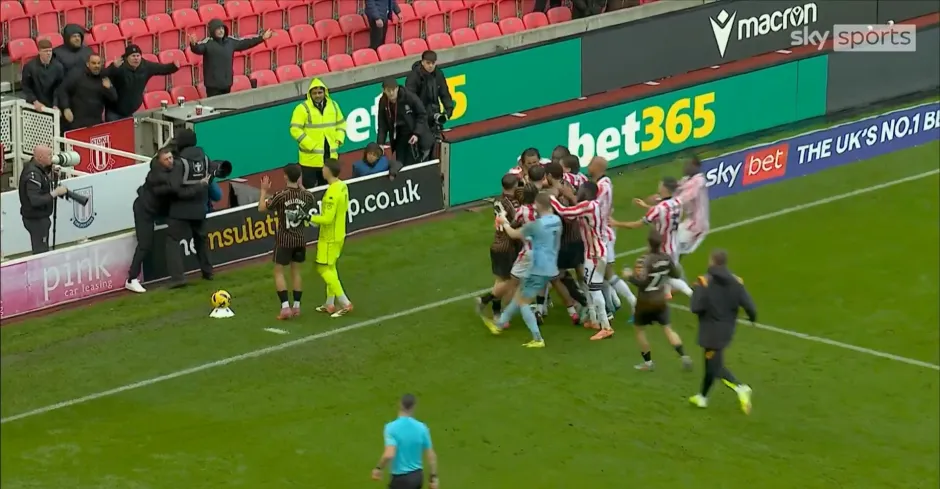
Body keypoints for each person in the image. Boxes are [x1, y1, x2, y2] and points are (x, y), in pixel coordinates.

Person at [483, 192, 562, 348]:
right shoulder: (556, 220)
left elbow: (513, 234)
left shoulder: (536, 225)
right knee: (520, 295)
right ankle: (499, 325)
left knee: (523, 302)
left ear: (538, 206)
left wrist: (504, 221)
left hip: (538, 267)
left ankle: (537, 338)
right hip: (551, 265)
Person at [688, 249, 756, 414]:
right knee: (710, 364)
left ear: (712, 261)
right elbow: (750, 306)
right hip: (726, 331)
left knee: (715, 367)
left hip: (711, 332)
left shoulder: (704, 281)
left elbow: (695, 307)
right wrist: (752, 318)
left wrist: (697, 291)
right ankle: (702, 397)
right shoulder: (736, 282)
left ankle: (741, 388)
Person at [550, 182, 615, 340]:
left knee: (594, 289)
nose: (577, 192)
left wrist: (551, 198)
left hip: (595, 254)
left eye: (580, 190)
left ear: (586, 192)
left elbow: (564, 212)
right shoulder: (593, 205)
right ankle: (596, 321)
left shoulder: (588, 206)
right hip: (594, 251)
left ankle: (605, 326)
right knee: (591, 286)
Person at [610, 176, 694, 298]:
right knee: (668, 276)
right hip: (673, 246)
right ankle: (677, 293)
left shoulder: (658, 208)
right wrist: (645, 206)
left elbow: (636, 224)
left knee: (652, 276)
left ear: (664, 188)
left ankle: (686, 294)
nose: (659, 186)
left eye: (661, 184)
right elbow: (665, 211)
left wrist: (616, 223)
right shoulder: (678, 202)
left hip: (660, 249)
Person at [625, 229, 693, 371]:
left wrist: (629, 276)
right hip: (660, 300)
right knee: (668, 329)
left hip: (645, 301)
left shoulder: (644, 260)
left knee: (639, 330)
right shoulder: (666, 258)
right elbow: (676, 275)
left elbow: (642, 283)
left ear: (648, 243)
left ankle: (648, 363)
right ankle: (684, 356)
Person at [259, 164, 318, 320]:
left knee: (279, 272)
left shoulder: (281, 195)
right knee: (296, 271)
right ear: (299, 177)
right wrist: (301, 186)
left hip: (284, 240)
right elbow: (309, 198)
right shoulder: (307, 196)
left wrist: (264, 191)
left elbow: (262, 208)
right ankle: (297, 306)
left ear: (285, 176)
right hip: (300, 239)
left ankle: (285, 307)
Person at [588, 156, 637, 320]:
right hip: (605, 232)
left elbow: (591, 206)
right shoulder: (606, 182)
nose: (588, 166)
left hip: (602, 235)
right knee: (606, 274)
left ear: (597, 167)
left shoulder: (601, 187)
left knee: (603, 274)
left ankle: (623, 304)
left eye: (591, 164)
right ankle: (614, 304)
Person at [164, 128, 214, 288]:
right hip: (200, 208)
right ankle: (208, 272)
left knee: (173, 240)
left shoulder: (179, 163)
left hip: (180, 210)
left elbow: (175, 189)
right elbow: (211, 178)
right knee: (201, 240)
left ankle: (178, 279)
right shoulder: (205, 159)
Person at [125, 148, 175, 293]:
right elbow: (170, 188)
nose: (170, 161)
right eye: (166, 159)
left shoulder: (170, 170)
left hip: (156, 210)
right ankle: (131, 279)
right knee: (144, 245)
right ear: (160, 161)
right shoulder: (157, 176)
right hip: (144, 211)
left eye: (171, 157)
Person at [308, 159, 353, 317]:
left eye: (324, 168)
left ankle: (345, 303)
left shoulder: (332, 192)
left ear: (328, 171)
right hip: (339, 233)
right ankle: (329, 303)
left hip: (330, 236)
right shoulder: (342, 186)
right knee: (331, 267)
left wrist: (309, 218)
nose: (322, 170)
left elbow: (327, 218)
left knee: (322, 268)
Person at [476, 173, 521, 318]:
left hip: (497, 242)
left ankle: (496, 311)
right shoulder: (513, 203)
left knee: (501, 280)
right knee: (511, 280)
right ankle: (485, 299)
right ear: (515, 186)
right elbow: (517, 221)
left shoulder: (498, 200)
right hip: (508, 246)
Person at [372, 394, 439, 489]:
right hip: (417, 477)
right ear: (414, 407)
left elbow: (389, 454)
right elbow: (431, 455)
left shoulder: (391, 428)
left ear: (400, 404)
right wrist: (433, 478)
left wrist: (378, 468)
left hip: (400, 479)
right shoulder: (422, 428)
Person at [188, 20, 270, 97]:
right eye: (218, 29)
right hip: (213, 86)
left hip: (227, 83)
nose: (221, 31)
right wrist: (193, 44)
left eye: (222, 28)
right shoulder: (207, 43)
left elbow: (245, 43)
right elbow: (198, 49)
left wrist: (262, 38)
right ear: (212, 30)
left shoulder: (230, 41)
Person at [290, 78, 346, 189]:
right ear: (310, 94)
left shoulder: (334, 105)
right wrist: (310, 144)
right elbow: (295, 129)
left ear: (324, 92)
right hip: (309, 159)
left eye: (320, 92)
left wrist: (339, 139)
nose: (317, 95)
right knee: (310, 189)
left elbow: (341, 124)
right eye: (314, 93)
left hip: (329, 156)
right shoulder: (302, 108)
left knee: (328, 187)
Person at [103, 44, 180, 121]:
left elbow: (161, 68)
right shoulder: (119, 66)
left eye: (138, 56)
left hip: (130, 111)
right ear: (127, 57)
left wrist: (173, 67)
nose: (136, 58)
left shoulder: (145, 66)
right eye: (133, 56)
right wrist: (113, 67)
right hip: (114, 111)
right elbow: (104, 75)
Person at [18, 145, 68, 255]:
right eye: (49, 155)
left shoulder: (37, 168)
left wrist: (51, 172)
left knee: (42, 248)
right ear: (40, 157)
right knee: (40, 252)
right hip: (36, 220)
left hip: (38, 217)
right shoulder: (32, 174)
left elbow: (42, 178)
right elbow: (35, 200)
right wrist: (55, 193)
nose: (52, 157)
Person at [377, 78, 433, 167]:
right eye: (388, 90)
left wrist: (416, 134)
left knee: (414, 164)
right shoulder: (383, 102)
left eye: (393, 90)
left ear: (397, 88)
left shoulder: (409, 97)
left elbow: (422, 115)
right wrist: (380, 143)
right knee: (400, 164)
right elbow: (382, 124)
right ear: (383, 90)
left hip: (413, 134)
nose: (391, 93)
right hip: (399, 136)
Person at [56, 54, 118, 130]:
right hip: (77, 122)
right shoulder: (77, 76)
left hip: (96, 122)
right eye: (93, 63)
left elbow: (114, 99)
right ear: (88, 64)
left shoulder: (104, 78)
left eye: (99, 63)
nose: (96, 66)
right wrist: (66, 108)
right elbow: (62, 90)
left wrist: (109, 89)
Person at [404, 50, 454, 135]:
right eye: (428, 63)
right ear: (422, 62)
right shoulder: (413, 77)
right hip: (419, 118)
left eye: (433, 63)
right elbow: (410, 99)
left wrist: (448, 111)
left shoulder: (438, 74)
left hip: (435, 114)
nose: (431, 66)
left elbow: (444, 94)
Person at [676, 155, 710, 256]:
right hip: (689, 222)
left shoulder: (699, 181)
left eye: (688, 165)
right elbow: (676, 190)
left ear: (695, 166)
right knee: (671, 244)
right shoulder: (686, 179)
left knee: (676, 250)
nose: (685, 167)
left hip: (697, 226)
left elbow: (684, 197)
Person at [21, 38, 65, 112]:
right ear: (39, 51)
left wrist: (56, 104)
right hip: (35, 103)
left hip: (52, 103)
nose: (48, 53)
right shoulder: (29, 66)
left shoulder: (58, 66)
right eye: (45, 51)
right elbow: (26, 86)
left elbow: (59, 87)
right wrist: (35, 101)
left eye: (50, 51)